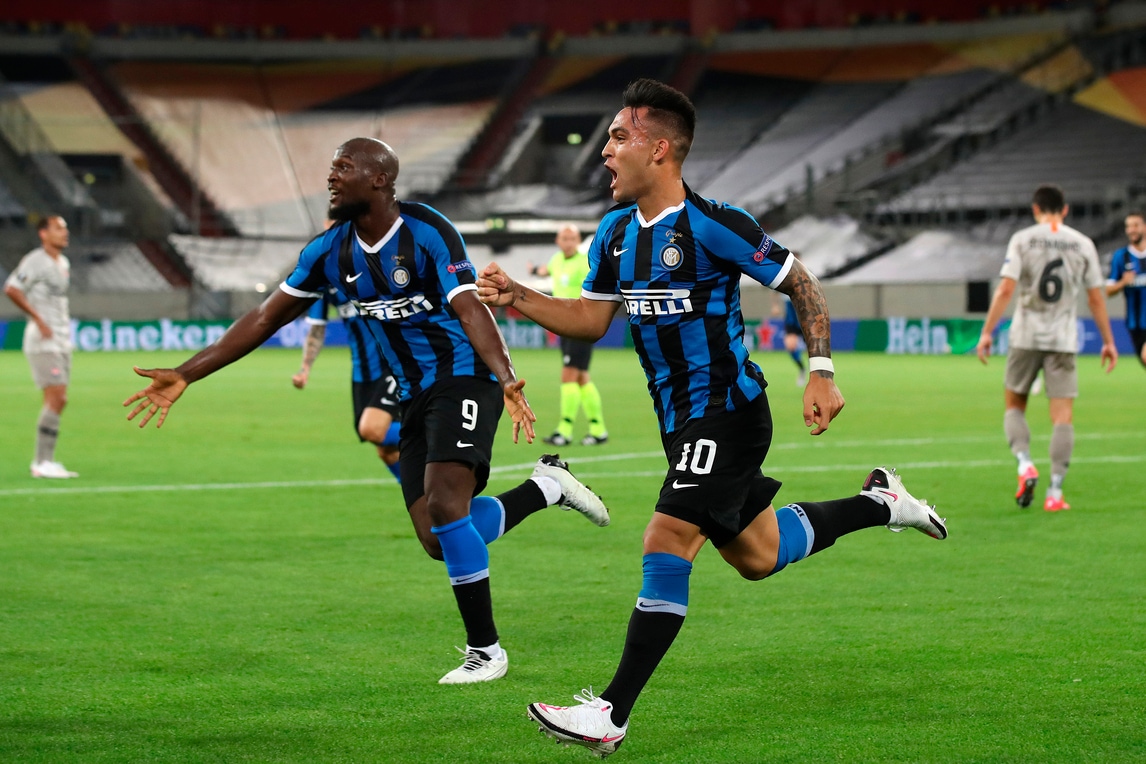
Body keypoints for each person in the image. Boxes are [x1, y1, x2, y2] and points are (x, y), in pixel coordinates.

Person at [477, 79, 947, 757]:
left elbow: (801, 282)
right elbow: (589, 318)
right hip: (679, 424)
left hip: (729, 411)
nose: (605, 151)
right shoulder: (614, 233)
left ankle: (610, 713)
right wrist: (518, 295)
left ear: (659, 149)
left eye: (618, 137)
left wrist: (820, 370)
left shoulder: (714, 224)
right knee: (759, 555)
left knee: (666, 538)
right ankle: (883, 502)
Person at [125, 137, 610, 684]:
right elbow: (264, 318)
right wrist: (187, 372)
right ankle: (547, 488)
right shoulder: (328, 251)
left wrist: (504, 377)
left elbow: (470, 307)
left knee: (446, 504)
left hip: (465, 378)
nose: (331, 177)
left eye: (344, 167)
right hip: (412, 393)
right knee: (438, 538)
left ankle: (486, 652)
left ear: (379, 179)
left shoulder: (427, 232)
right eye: (331, 168)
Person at [976, 184, 1117, 512]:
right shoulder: (1083, 243)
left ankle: (1025, 464)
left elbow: (1005, 289)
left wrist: (987, 332)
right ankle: (1055, 493)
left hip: (1025, 337)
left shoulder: (1023, 239)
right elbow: (1096, 298)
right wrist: (1109, 341)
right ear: (1064, 210)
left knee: (1014, 406)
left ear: (1035, 209)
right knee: (1062, 417)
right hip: (1063, 340)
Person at [292, 285, 403, 482]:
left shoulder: (372, 270)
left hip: (393, 363)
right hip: (363, 373)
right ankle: (423, 496)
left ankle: (439, 431)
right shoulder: (324, 282)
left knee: (372, 430)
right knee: (387, 451)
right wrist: (305, 368)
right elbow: (317, 328)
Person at [4, 215, 78, 479]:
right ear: (43, 234)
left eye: (65, 228)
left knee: (60, 399)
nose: (65, 233)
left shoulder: (63, 262)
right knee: (56, 397)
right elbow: (12, 288)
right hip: (42, 341)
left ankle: (46, 460)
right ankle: (41, 462)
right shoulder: (35, 260)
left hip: (60, 339)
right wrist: (37, 319)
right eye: (58, 228)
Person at [530, 223, 609, 446]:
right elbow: (545, 271)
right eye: (564, 238)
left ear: (578, 241)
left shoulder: (584, 262)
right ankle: (598, 430)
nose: (568, 243)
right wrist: (533, 270)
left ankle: (564, 432)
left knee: (568, 376)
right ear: (558, 241)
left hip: (579, 325)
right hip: (564, 327)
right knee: (582, 378)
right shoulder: (556, 260)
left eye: (572, 238)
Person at [1105, 211, 1146, 368]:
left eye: (1135, 225)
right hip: (1134, 324)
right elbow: (1108, 290)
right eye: (1128, 226)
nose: (1131, 230)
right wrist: (1123, 282)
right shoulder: (1121, 257)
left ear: (1144, 227)